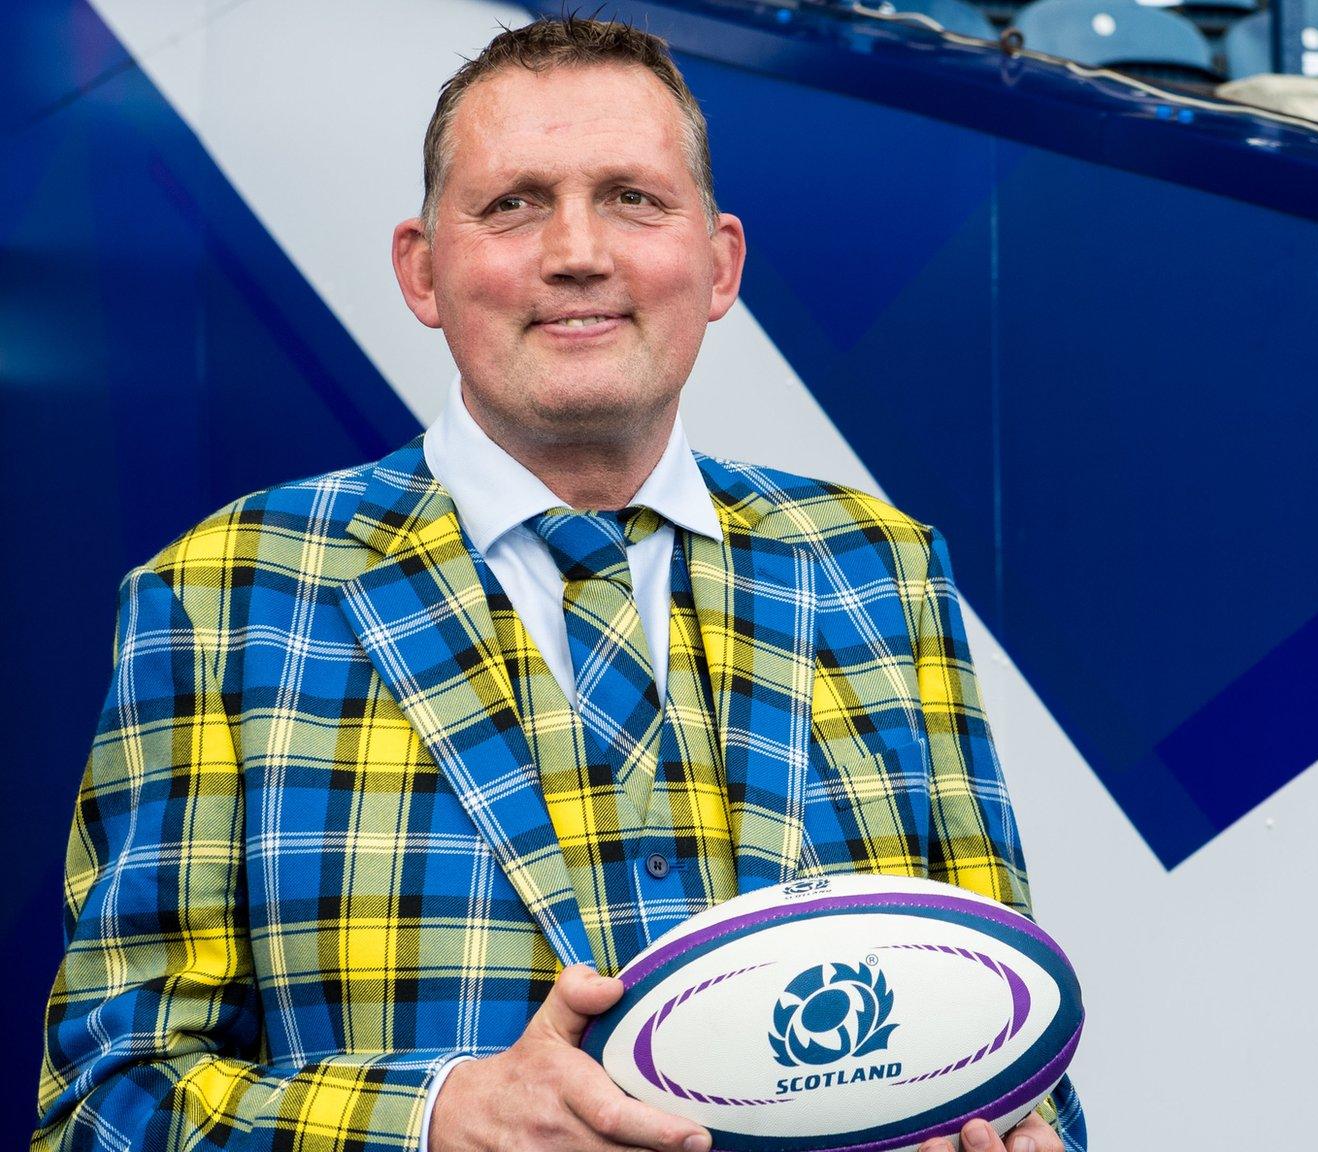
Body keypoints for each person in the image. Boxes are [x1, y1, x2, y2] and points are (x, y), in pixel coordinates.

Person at [34, 16, 1082, 1152]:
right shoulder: (222, 597)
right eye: (513, 203)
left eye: (632, 197)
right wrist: (436, 1123)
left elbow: (1008, 1031)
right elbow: (107, 1103)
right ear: (422, 270)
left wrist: (1016, 1134)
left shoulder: (874, 568)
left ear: (719, 264)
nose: (576, 250)